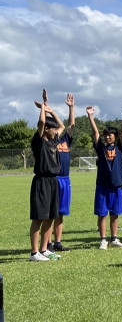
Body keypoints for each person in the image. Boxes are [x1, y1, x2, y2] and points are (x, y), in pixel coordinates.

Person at [87, 104, 122, 250]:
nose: (107, 136)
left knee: (115, 214)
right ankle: (103, 240)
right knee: (102, 214)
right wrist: (90, 116)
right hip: (102, 186)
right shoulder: (101, 149)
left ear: (115, 137)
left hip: (116, 186)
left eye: (110, 135)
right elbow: (95, 132)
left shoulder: (119, 148)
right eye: (106, 135)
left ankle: (114, 238)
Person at [29, 99, 63, 261]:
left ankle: (44, 250)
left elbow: (62, 126)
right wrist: (42, 107)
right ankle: (34, 253)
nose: (56, 131)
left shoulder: (54, 140)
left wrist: (51, 111)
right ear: (47, 129)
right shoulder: (39, 141)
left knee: (50, 217)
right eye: (53, 128)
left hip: (53, 181)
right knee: (39, 218)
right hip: (41, 181)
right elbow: (42, 122)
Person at [42, 90, 74, 253]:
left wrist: (71, 107)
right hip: (54, 179)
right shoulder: (50, 141)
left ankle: (58, 243)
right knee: (50, 212)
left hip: (65, 180)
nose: (56, 130)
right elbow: (45, 125)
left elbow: (71, 125)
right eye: (53, 128)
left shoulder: (65, 140)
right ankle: (47, 244)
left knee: (60, 213)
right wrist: (46, 108)